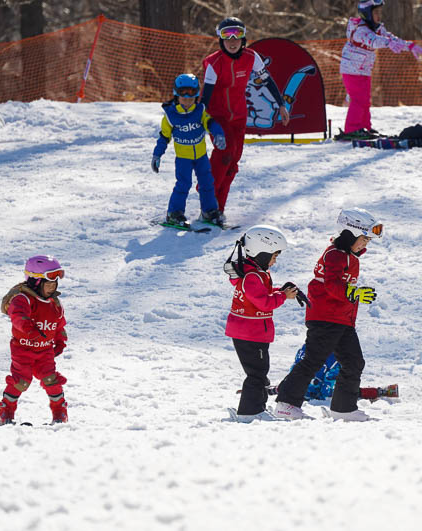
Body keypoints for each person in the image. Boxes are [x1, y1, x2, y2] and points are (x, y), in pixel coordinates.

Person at [274, 207, 383, 421]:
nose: (365, 244)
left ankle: (344, 409)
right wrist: (354, 293)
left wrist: (354, 295)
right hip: (325, 318)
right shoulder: (334, 255)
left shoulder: (350, 258)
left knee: (353, 362)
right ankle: (286, 404)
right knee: (313, 360)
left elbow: (340, 288)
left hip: (342, 319)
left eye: (368, 241)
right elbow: (332, 285)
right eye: (363, 238)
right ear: (349, 233)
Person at [201, 17, 290, 227]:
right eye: (226, 36)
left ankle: (218, 209)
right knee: (225, 153)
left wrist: (281, 104)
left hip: (239, 116)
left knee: (233, 161)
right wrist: (200, 118)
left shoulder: (252, 57)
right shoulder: (214, 63)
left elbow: (266, 80)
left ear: (244, 38)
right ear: (220, 40)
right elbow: (206, 96)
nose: (232, 40)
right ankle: (207, 202)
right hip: (218, 116)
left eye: (237, 35)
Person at [223, 225, 301, 422]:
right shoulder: (252, 276)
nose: (275, 261)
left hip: (252, 332)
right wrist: (283, 296)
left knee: (259, 373)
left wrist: (280, 290)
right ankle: (250, 412)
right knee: (257, 374)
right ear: (262, 252)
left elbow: (262, 294)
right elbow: (264, 302)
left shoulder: (255, 273)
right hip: (249, 333)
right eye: (274, 256)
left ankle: (254, 409)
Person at [338, 0, 422, 139]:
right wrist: (388, 43)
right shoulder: (359, 29)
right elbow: (373, 41)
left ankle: (364, 127)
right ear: (366, 14)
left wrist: (409, 46)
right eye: (375, 13)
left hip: (363, 70)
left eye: (380, 12)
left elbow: (391, 38)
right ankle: (352, 129)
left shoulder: (377, 28)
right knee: (358, 100)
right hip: (351, 70)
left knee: (365, 100)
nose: (379, 16)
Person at [0, 256, 69, 425]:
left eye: (55, 283)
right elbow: (17, 315)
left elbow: (59, 325)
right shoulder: (23, 299)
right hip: (23, 350)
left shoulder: (54, 303)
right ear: (35, 281)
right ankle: (5, 413)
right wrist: (28, 328)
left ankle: (60, 414)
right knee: (21, 381)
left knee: (51, 380)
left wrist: (60, 340)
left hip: (45, 352)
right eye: (48, 283)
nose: (53, 287)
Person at [152, 73, 226, 228]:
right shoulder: (170, 116)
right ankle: (174, 213)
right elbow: (164, 137)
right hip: (183, 159)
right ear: (176, 95)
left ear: (197, 95)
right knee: (183, 184)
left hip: (201, 157)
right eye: (183, 95)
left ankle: (209, 211)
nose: (187, 99)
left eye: (191, 95)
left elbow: (210, 123)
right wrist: (157, 154)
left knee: (207, 183)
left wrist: (218, 133)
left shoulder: (200, 111)